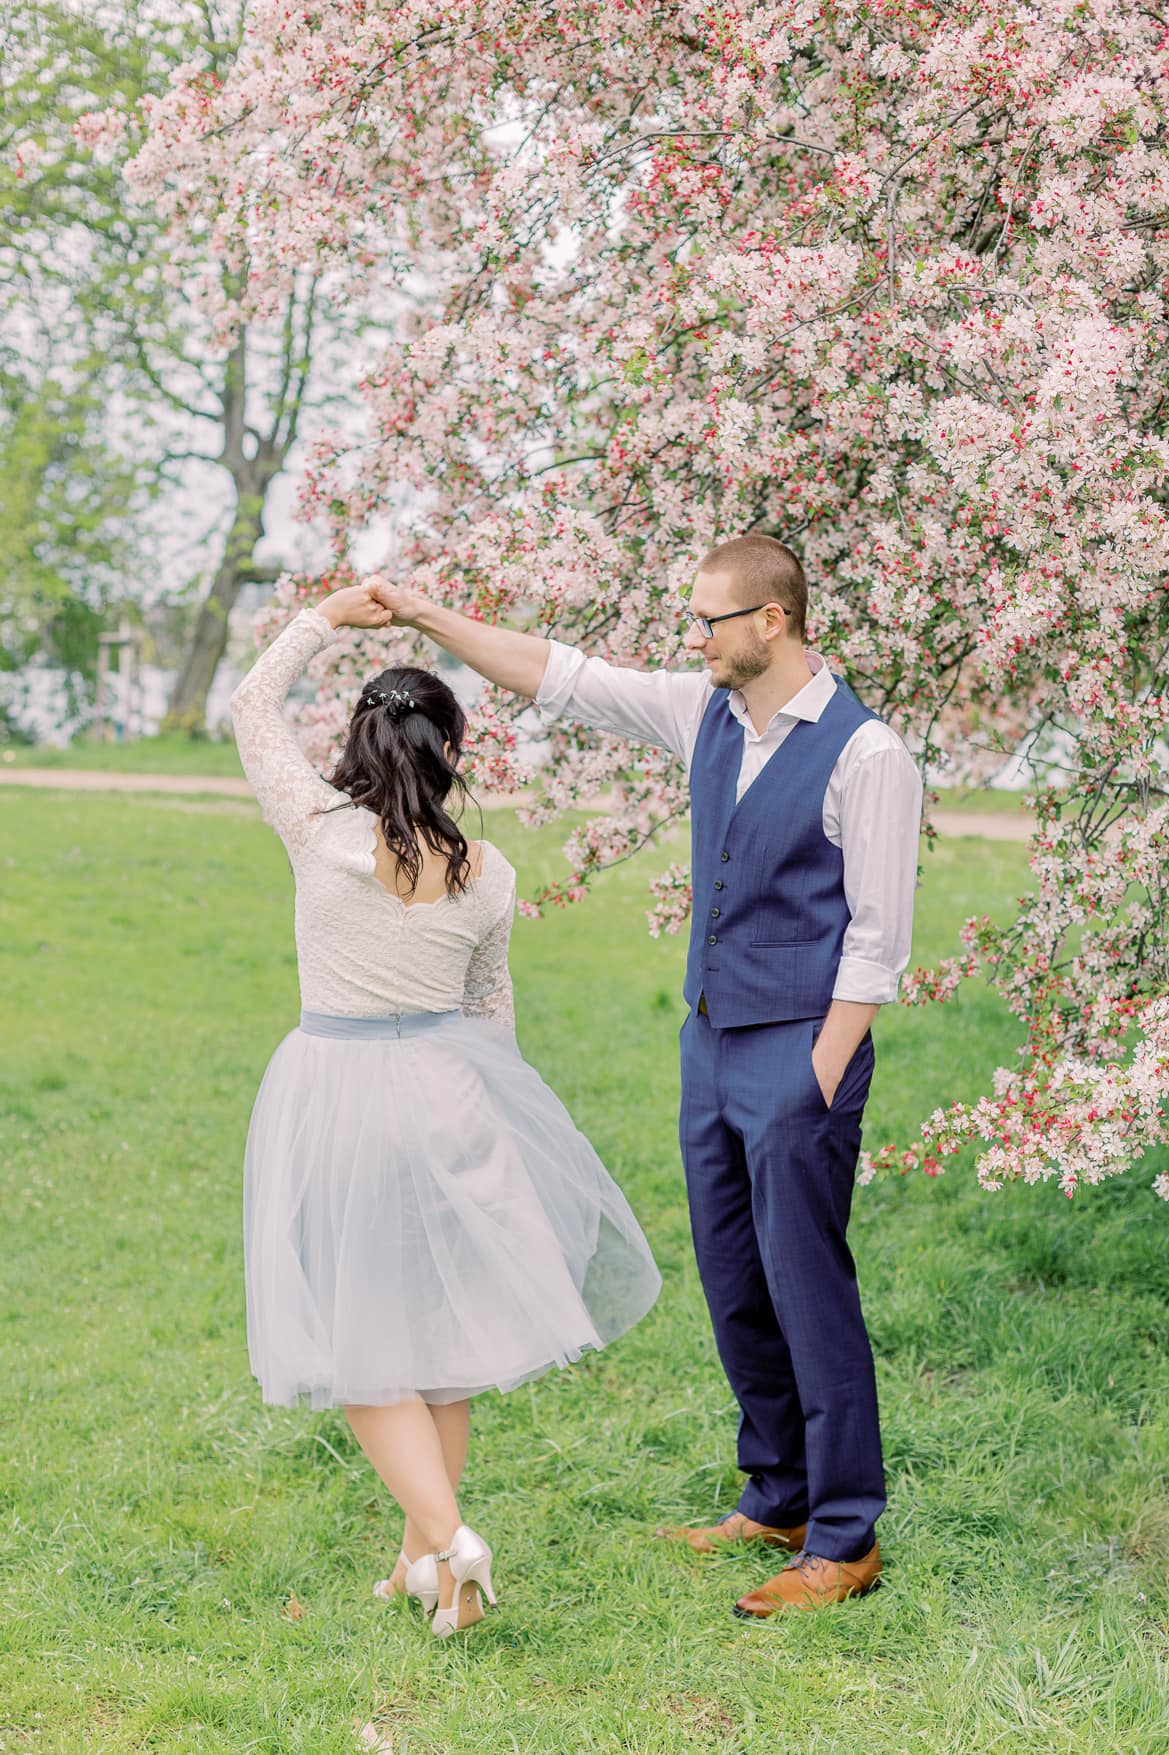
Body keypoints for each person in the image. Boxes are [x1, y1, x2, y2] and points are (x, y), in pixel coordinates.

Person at [368, 534, 922, 1616]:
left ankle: (846, 1536)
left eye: (713, 619)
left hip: (804, 1045)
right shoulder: (704, 711)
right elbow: (566, 677)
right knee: (733, 1277)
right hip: (710, 1041)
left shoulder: (870, 757)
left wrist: (819, 1071)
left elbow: (878, 939)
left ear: (773, 620)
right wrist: (429, 618)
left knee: (808, 1287)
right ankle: (777, 1496)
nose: (697, 637)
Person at [229, 583, 661, 1638]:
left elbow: (249, 707)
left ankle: (454, 1542)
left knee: (359, 1336)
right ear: (453, 752)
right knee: (440, 1337)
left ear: (359, 742)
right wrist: (490, 1131)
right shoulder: (492, 871)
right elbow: (489, 1013)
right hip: (451, 1092)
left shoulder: (318, 829)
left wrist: (328, 615)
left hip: (340, 1091)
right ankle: (420, 1563)